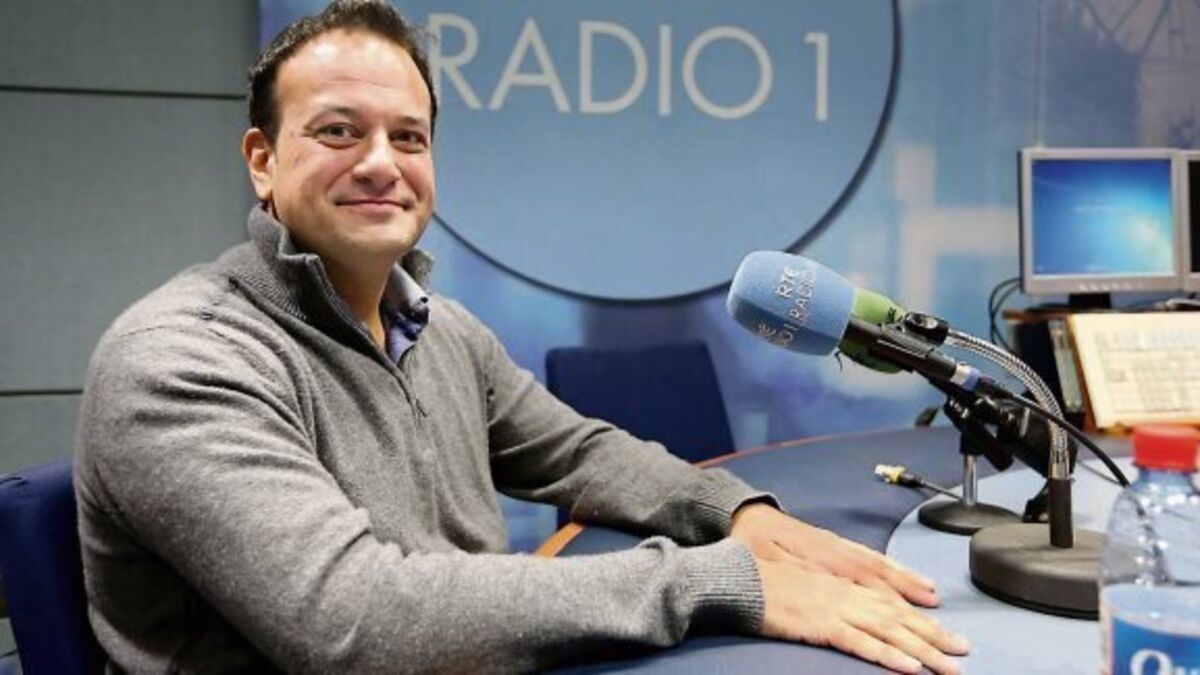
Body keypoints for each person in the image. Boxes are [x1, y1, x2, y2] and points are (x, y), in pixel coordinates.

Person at [75, 1, 969, 673]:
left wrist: (734, 514)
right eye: (339, 132)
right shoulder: (180, 360)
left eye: (408, 137)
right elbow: (353, 621)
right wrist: (716, 581)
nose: (382, 163)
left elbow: (580, 452)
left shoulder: (436, 327)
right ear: (263, 162)